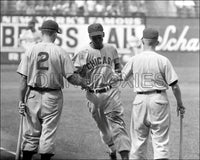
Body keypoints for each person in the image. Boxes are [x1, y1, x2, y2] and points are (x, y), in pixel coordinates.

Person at [17, 20, 88, 160]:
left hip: (32, 95)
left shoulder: (30, 50)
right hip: (52, 97)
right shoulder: (60, 51)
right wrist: (85, 83)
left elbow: (23, 80)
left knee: (30, 134)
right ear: (55, 34)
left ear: (42, 32)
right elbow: (71, 77)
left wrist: (21, 101)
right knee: (48, 134)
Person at [121, 28, 185, 159]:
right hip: (159, 100)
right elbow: (175, 86)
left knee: (138, 143)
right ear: (157, 42)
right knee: (160, 143)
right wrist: (180, 103)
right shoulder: (163, 60)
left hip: (139, 100)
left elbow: (121, 77)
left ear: (142, 41)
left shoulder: (134, 59)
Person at [72, 23, 131, 160]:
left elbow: (117, 66)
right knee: (103, 128)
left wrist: (117, 74)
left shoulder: (111, 49)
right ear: (89, 37)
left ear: (103, 34)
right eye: (94, 38)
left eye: (99, 37)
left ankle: (124, 156)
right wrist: (82, 80)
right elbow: (74, 73)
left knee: (118, 124)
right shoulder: (82, 52)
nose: (97, 40)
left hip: (111, 92)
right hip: (93, 95)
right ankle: (112, 149)